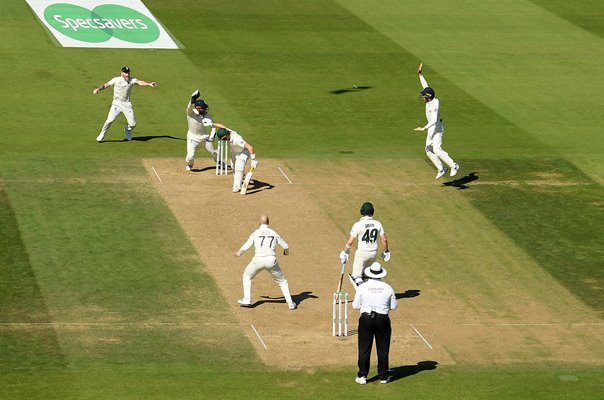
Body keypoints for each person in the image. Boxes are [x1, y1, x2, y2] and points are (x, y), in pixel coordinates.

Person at [234, 214, 297, 310]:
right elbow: (285, 246)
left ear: (259, 222)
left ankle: (247, 299)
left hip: (257, 260)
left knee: (247, 276)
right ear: (268, 222)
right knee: (283, 282)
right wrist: (286, 253)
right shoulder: (273, 233)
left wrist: (239, 253)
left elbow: (248, 244)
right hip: (271, 261)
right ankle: (290, 303)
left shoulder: (256, 232)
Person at [352, 262, 397, 385]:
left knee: (364, 348)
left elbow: (355, 306)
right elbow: (393, 306)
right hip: (382, 319)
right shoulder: (388, 288)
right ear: (381, 274)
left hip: (366, 319)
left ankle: (362, 376)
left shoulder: (363, 287)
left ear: (369, 274)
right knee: (383, 349)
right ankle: (383, 376)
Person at [414, 63, 459, 179]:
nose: (423, 98)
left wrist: (423, 128)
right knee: (428, 149)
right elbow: (426, 86)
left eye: (424, 96)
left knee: (437, 150)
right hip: (431, 129)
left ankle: (454, 166)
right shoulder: (429, 98)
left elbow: (434, 120)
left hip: (437, 128)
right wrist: (420, 74)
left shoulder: (435, 105)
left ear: (429, 97)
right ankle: (441, 169)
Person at [93, 66, 157, 142]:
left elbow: (140, 82)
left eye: (128, 72)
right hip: (116, 103)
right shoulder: (116, 80)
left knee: (133, 124)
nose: (127, 74)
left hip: (127, 104)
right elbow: (106, 85)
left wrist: (149, 84)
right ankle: (102, 134)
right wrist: (98, 89)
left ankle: (127, 130)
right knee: (109, 120)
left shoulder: (132, 80)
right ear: (122, 73)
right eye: (126, 73)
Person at [340, 202, 390, 288]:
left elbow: (350, 242)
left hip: (362, 254)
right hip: (373, 253)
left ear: (362, 212)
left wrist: (345, 252)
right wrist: (386, 251)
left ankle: (363, 296)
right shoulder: (378, 224)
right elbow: (384, 240)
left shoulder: (358, 225)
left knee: (356, 277)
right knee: (368, 276)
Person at [215, 124, 258, 193]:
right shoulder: (227, 131)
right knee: (234, 167)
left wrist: (253, 160)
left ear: (227, 135)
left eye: (225, 139)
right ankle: (241, 176)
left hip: (244, 152)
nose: (225, 140)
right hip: (235, 152)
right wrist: (212, 124)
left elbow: (250, 147)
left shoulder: (237, 139)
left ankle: (237, 187)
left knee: (239, 165)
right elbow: (221, 126)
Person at [185, 90, 218, 171]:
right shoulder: (191, 113)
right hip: (192, 138)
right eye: (204, 108)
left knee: (214, 154)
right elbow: (189, 107)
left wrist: (212, 135)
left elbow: (213, 126)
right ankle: (190, 165)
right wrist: (192, 100)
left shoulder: (207, 115)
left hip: (204, 138)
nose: (205, 109)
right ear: (199, 108)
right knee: (190, 157)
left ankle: (219, 162)